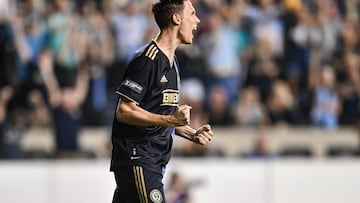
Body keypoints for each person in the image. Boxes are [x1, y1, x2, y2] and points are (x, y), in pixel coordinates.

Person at [110, 1, 214, 203]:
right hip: (138, 158)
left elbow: (163, 116)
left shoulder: (172, 61)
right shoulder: (146, 60)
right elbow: (124, 111)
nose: (197, 20)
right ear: (177, 18)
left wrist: (192, 133)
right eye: (192, 13)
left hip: (153, 163)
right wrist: (169, 121)